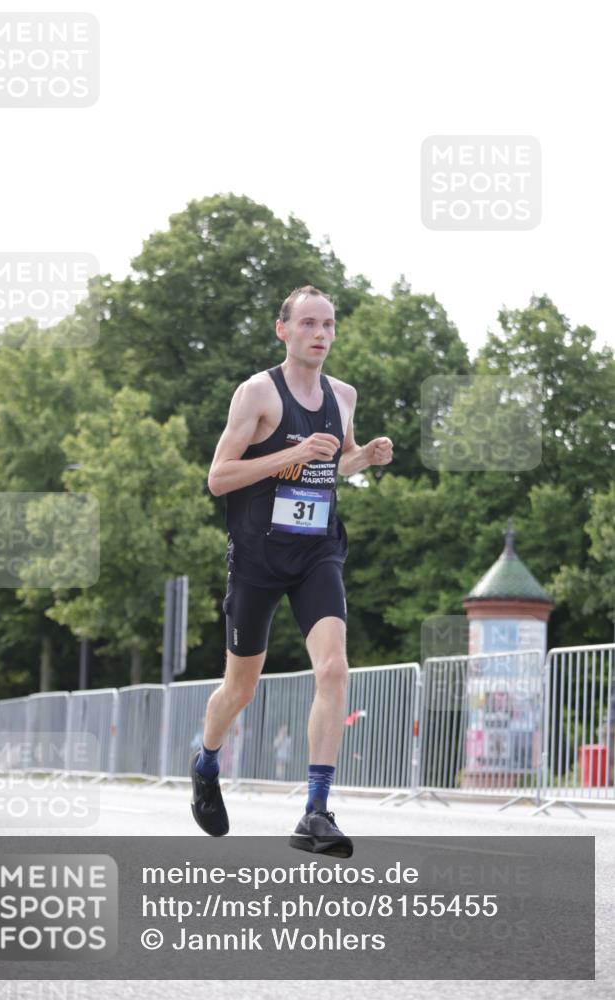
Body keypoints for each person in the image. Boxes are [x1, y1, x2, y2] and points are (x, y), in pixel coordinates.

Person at [189, 285, 393, 857]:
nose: (321, 333)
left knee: (333, 669)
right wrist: (291, 455)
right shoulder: (258, 393)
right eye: (308, 323)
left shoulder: (344, 395)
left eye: (328, 324)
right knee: (241, 687)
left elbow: (338, 456)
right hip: (257, 558)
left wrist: (364, 458)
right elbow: (219, 477)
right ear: (283, 330)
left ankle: (316, 811)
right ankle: (205, 764)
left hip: (316, 552)